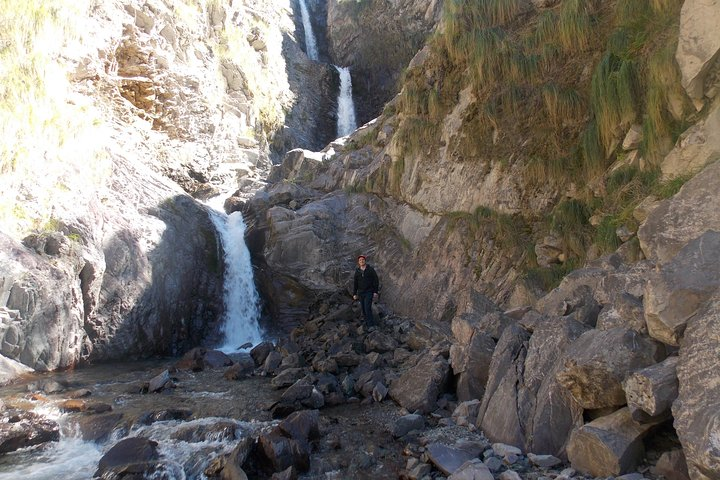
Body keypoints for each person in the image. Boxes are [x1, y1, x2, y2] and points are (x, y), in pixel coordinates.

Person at [352, 255, 379, 326]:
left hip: (369, 292)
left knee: (367, 308)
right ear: (358, 262)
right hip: (361, 293)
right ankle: (367, 323)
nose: (361, 261)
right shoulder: (357, 271)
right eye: (360, 260)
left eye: (363, 259)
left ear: (365, 260)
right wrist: (354, 293)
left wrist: (375, 292)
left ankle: (371, 325)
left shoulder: (370, 269)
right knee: (363, 309)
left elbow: (376, 280)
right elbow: (355, 283)